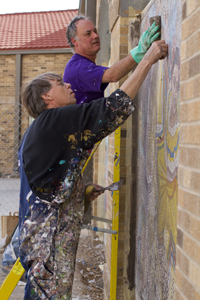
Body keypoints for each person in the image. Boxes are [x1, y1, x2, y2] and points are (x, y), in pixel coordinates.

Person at [18, 39, 167, 299]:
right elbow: (112, 109)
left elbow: (45, 185)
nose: (68, 84)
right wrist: (147, 60)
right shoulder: (55, 119)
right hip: (46, 246)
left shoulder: (41, 130)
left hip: (40, 242)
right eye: (59, 83)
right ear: (47, 96)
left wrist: (80, 193)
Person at [63, 15, 160, 104]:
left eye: (95, 31)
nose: (95, 36)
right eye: (88, 34)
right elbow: (113, 75)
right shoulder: (78, 68)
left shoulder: (81, 64)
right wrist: (139, 52)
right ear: (74, 41)